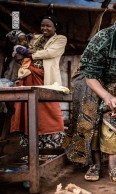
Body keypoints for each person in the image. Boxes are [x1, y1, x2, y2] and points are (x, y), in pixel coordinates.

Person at [62, 7, 116, 183]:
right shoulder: (102, 40)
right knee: (91, 121)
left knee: (113, 120)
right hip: (90, 83)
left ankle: (113, 166)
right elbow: (90, 76)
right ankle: (95, 164)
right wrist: (106, 96)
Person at [10, 15, 67, 149]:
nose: (44, 28)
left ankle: (51, 144)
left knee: (49, 109)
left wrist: (26, 52)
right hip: (29, 75)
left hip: (46, 79)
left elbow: (49, 53)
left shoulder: (60, 39)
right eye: (43, 25)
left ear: (55, 27)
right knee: (28, 109)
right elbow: (18, 50)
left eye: (48, 25)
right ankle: (30, 145)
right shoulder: (35, 38)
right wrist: (21, 49)